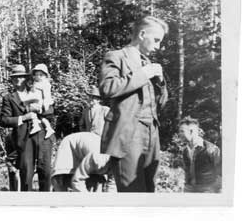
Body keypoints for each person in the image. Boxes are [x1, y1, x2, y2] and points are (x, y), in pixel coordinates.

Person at [99, 16, 169, 192]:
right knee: (132, 193)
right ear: (142, 34)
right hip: (128, 135)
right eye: (156, 40)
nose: (158, 46)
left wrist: (160, 83)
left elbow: (160, 105)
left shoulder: (149, 64)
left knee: (149, 191)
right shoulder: (116, 56)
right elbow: (107, 88)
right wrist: (143, 74)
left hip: (152, 134)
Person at [0, 64, 53, 191]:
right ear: (11, 80)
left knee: (45, 170)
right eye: (15, 78)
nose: (18, 80)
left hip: (43, 134)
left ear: (26, 78)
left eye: (21, 77)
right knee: (26, 172)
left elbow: (50, 110)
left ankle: (46, 202)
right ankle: (27, 204)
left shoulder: (36, 89)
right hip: (23, 138)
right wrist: (23, 118)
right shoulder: (8, 98)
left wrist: (39, 110)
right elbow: (4, 120)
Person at [51, 86, 110, 192]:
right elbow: (81, 124)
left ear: (98, 99)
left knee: (99, 164)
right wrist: (85, 132)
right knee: (87, 165)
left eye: (94, 98)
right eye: (90, 98)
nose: (91, 100)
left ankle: (98, 187)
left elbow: (110, 125)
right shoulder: (86, 111)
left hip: (100, 139)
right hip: (87, 140)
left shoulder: (105, 110)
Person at [177, 116, 222, 193]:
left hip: (207, 190)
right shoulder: (185, 150)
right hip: (189, 189)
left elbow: (221, 174)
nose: (179, 134)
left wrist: (215, 191)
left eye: (182, 131)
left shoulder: (212, 149)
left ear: (191, 131)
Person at [23, 63, 55, 138]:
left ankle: (47, 128)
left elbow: (47, 95)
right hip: (34, 102)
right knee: (37, 116)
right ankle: (39, 126)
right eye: (36, 75)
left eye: (41, 75)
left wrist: (45, 104)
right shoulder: (35, 83)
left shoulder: (45, 84)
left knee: (40, 116)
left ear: (45, 76)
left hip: (40, 103)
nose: (38, 77)